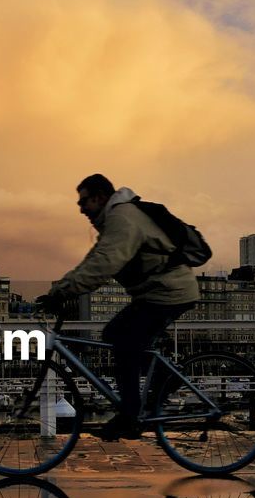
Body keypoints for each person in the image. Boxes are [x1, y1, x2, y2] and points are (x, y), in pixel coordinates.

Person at [37, 174, 199, 440]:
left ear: (100, 197)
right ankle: (162, 377)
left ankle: (131, 415)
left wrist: (63, 292)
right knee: (115, 335)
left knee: (124, 341)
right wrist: (59, 290)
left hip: (168, 291)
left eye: (84, 201)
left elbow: (104, 264)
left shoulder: (122, 219)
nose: (80, 208)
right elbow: (93, 262)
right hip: (159, 291)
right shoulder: (114, 222)